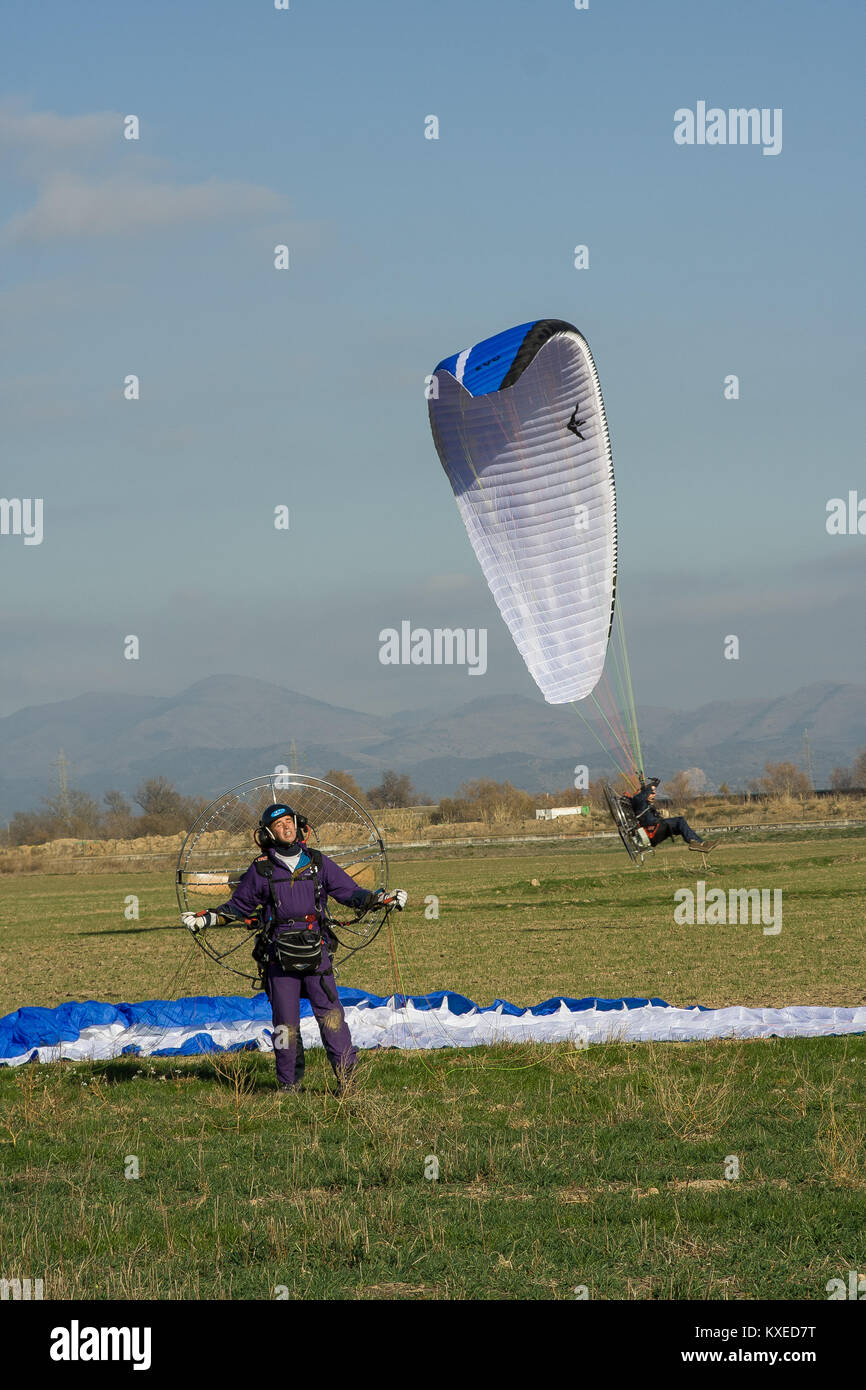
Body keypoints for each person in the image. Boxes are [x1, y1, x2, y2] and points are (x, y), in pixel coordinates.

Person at [182, 802, 407, 1093]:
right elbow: (238, 907)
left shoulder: (318, 862)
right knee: (283, 1026)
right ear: (267, 834)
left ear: (299, 825)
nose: (286, 827)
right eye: (278, 825)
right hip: (278, 957)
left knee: (332, 1017)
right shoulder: (260, 869)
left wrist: (380, 899)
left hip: (317, 952)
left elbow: (350, 893)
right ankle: (288, 1085)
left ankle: (349, 1081)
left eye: (289, 821)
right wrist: (207, 919)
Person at [629, 779, 718, 852]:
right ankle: (696, 843)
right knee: (679, 821)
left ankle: (700, 843)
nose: (654, 795)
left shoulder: (645, 804)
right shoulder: (638, 802)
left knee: (680, 825)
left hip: (656, 828)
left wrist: (649, 789)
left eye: (654, 793)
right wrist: (651, 787)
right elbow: (640, 797)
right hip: (652, 830)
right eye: (652, 793)